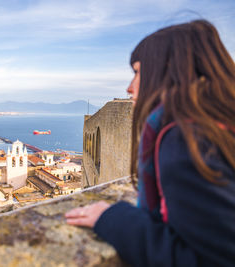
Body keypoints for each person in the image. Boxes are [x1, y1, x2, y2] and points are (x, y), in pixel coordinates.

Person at [65, 19, 235, 267]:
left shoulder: (185, 140)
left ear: (168, 71)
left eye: (137, 72)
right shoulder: (219, 126)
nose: (129, 88)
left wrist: (114, 218)